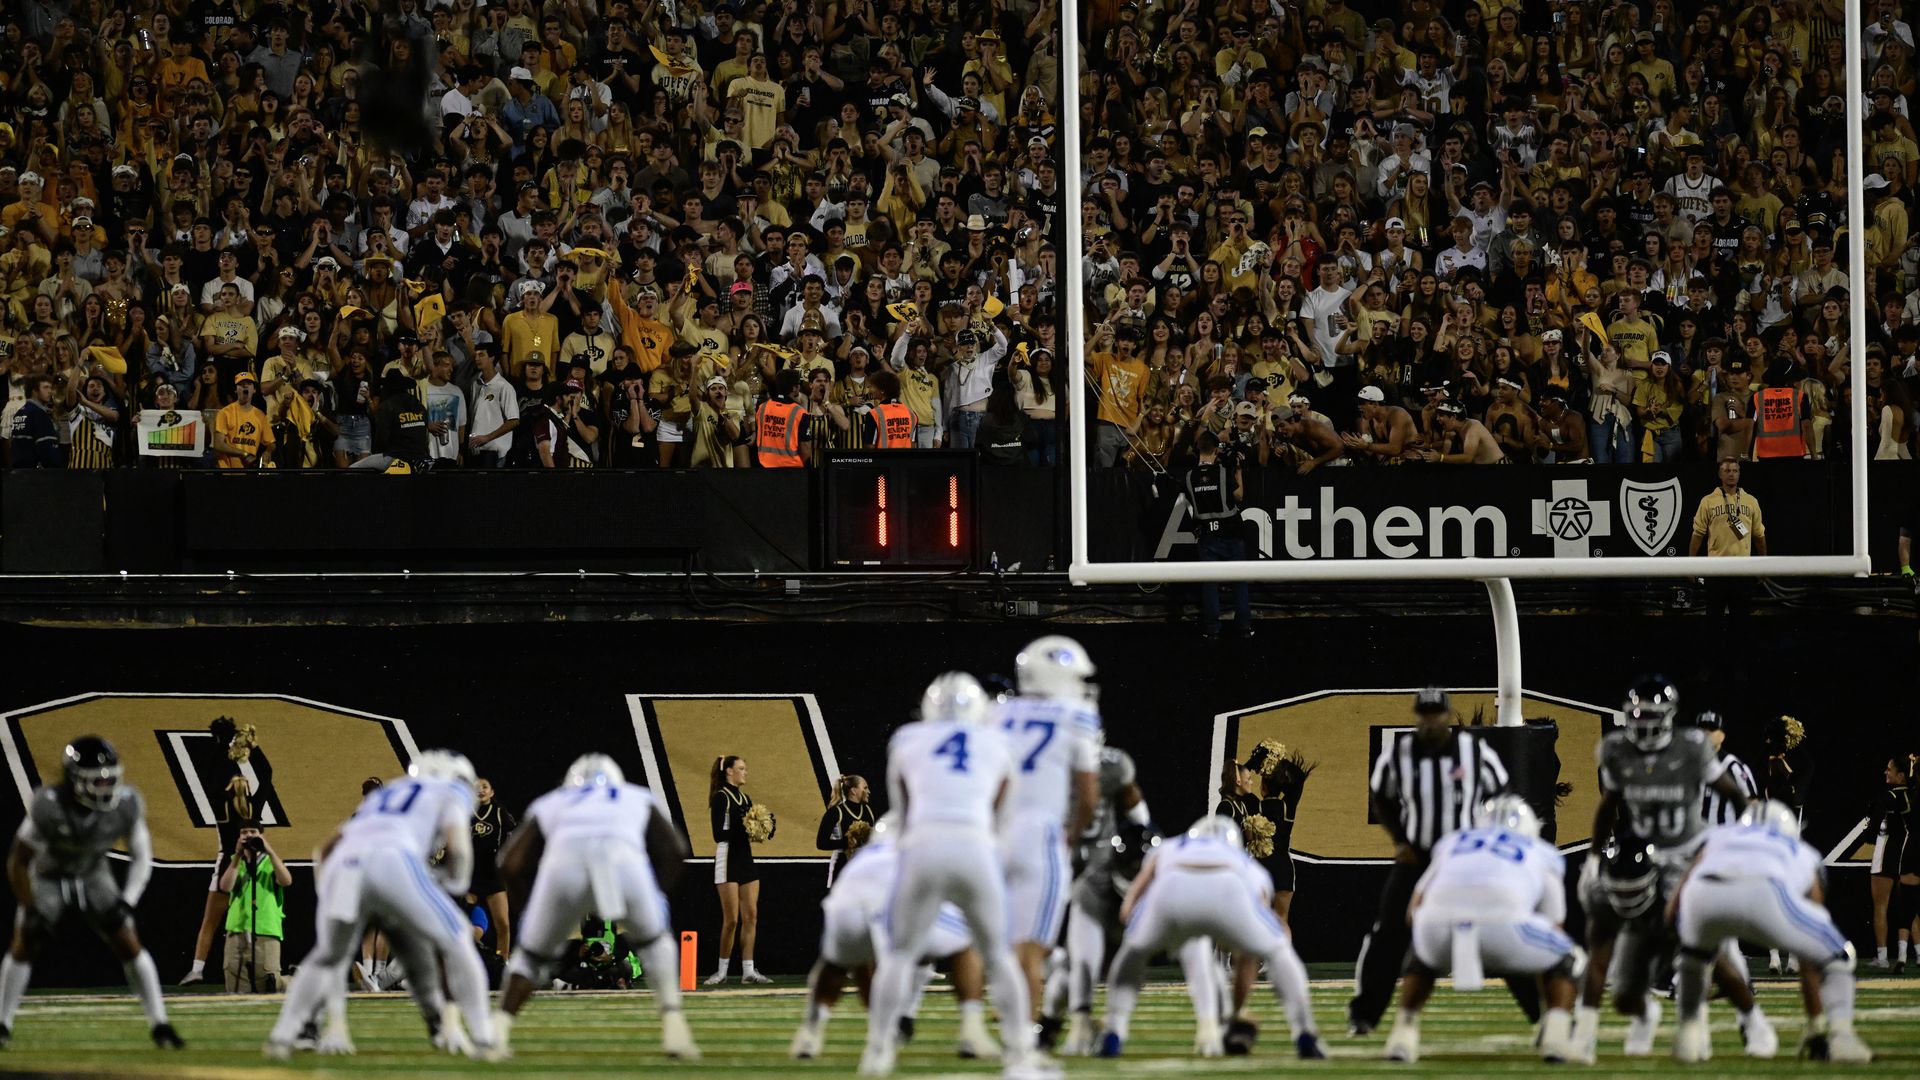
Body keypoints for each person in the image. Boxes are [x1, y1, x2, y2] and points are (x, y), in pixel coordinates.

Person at [859, 672, 1048, 1078]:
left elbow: (902, 810)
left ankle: (878, 1052)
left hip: (922, 843)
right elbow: (1003, 814)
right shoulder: (999, 742)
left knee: (900, 956)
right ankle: (1020, 1054)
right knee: (998, 954)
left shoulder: (907, 739)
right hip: (975, 845)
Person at [1574, 675, 1764, 1063]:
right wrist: (1595, 859)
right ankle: (1644, 1010)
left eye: (1651, 714)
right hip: (1643, 859)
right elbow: (1609, 805)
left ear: (1670, 716)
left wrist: (1743, 844)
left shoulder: (1691, 747)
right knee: (1625, 990)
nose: (1642, 722)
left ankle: (1751, 1019)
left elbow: (1734, 794)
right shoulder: (1616, 749)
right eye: (1637, 714)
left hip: (1692, 855)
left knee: (1708, 945)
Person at [263, 751, 497, 1060]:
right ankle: (483, 1036)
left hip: (345, 865)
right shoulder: (449, 790)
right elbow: (461, 852)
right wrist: (453, 889)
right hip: (393, 861)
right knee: (457, 941)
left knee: (328, 955)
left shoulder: (387, 792)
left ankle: (286, 1033)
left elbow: (325, 849)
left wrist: (330, 895)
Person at [493, 754, 698, 1059]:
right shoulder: (635, 795)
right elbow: (676, 850)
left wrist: (530, 914)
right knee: (656, 943)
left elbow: (509, 863)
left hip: (563, 869)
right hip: (624, 865)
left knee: (531, 957)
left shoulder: (553, 800)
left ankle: (495, 1033)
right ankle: (674, 1027)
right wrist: (653, 895)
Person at [1350, 688, 1525, 1035]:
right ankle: (1364, 1015)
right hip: (1419, 856)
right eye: (1424, 714)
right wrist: (1400, 841)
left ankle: (1544, 1015)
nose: (1430, 721)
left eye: (1436, 714)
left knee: (1503, 928)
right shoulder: (1400, 753)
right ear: (1417, 716)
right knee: (1388, 933)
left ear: (1447, 715)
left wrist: (1486, 839)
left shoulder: (1473, 751)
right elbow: (1380, 796)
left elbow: (1502, 794)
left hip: (1465, 859)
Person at [0, 737, 182, 1049]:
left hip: (92, 872)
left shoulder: (126, 803)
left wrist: (128, 901)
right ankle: (2, 1023)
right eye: (97, 780)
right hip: (48, 874)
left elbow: (142, 855)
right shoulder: (48, 805)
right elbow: (18, 861)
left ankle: (161, 1025)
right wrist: (29, 907)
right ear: (74, 780)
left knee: (127, 941)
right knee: (25, 940)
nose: (105, 786)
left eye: (109, 779)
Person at [1096, 815, 1325, 1061]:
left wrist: (1140, 935)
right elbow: (1248, 957)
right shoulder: (1249, 865)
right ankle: (1304, 1033)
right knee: (1280, 953)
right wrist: (1237, 1012)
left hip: (1172, 888)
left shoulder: (1170, 846)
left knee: (1132, 955)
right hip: (1231, 887)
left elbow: (1129, 905)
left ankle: (1114, 1031)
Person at [1670, 802, 1872, 1063]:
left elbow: (1680, 893)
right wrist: (1814, 1020)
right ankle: (1841, 1038)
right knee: (1839, 954)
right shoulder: (1799, 850)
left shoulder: (1720, 836)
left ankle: (1687, 1036)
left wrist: (1681, 937)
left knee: (1693, 958)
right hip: (1764, 891)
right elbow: (1812, 950)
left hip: (1702, 893)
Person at [1381, 797, 1577, 1064]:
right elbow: (1555, 924)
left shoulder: (1453, 843)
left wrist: (1430, 951)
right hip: (1505, 928)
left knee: (1422, 949)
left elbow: (1413, 911)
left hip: (1439, 928)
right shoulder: (1541, 852)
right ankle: (1555, 1037)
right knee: (1568, 958)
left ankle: (1402, 1036)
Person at [790, 815, 996, 1060]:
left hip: (848, 906)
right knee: (963, 943)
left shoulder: (863, 859)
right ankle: (971, 1030)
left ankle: (810, 1032)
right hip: (900, 905)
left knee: (835, 965)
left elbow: (861, 961)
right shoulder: (927, 851)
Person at [993, 636, 1101, 1025]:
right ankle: (1025, 1035)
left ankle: (1001, 1017)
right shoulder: (1078, 715)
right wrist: (1072, 831)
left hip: (996, 835)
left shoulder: (996, 713)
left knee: (1003, 941)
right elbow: (1088, 794)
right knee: (1033, 946)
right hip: (1041, 835)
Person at [1040, 741, 1153, 1056]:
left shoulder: (1158, 878)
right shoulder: (1095, 881)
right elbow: (1086, 961)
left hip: (1099, 858)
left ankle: (1106, 1027)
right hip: (1065, 860)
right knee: (1077, 964)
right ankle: (1056, 1020)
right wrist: (1080, 1019)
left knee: (1126, 963)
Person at [184, 717, 273, 986]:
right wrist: (237, 745)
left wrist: (238, 744)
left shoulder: (232, 806)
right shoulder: (237, 807)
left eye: (242, 780)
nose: (241, 781)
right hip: (237, 863)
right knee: (219, 918)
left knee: (246, 919)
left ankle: (256, 969)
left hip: (241, 863)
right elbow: (263, 776)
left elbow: (264, 777)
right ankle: (199, 969)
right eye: (238, 780)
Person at [705, 755, 769, 984]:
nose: (745, 772)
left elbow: (752, 832)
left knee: (751, 916)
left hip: (745, 859)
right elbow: (718, 834)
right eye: (741, 768)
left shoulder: (745, 798)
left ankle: (748, 971)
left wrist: (765, 827)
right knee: (731, 920)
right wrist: (742, 827)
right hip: (728, 858)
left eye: (745, 768)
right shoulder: (721, 797)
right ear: (729, 772)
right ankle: (721, 972)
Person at [1185, 430, 1253, 639]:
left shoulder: (1188, 477)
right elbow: (1239, 496)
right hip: (1231, 533)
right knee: (1239, 582)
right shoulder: (1224, 473)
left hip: (1207, 536)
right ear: (1216, 450)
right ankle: (1244, 628)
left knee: (1209, 584)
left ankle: (1212, 629)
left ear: (1198, 450)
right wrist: (1239, 471)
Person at [1689, 458, 1767, 629]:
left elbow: (1759, 535)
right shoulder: (1708, 501)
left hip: (1742, 570)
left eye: (1735, 471)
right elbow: (1698, 534)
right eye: (1727, 471)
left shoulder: (1751, 501)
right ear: (1720, 474)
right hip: (1716, 570)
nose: (1731, 474)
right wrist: (1690, 564)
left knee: (1741, 621)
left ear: (1739, 474)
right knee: (1713, 620)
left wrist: (1763, 565)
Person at [219, 826, 293, 993]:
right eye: (244, 832)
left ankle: (293, 981)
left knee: (269, 985)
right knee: (236, 988)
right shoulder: (234, 861)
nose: (248, 835)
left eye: (253, 832)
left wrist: (269, 851)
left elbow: (286, 881)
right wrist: (237, 856)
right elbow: (225, 886)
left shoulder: (271, 862)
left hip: (265, 930)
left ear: (261, 836)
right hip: (236, 930)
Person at [1869, 755, 1913, 971]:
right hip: (1908, 854)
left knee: (1881, 906)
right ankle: (1915, 954)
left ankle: (1883, 957)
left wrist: (1871, 834)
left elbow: (1872, 829)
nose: (1886, 772)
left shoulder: (1887, 797)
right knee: (1910, 906)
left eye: (1889, 770)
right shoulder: (1913, 795)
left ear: (1901, 775)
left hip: (1887, 851)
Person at [468, 778, 518, 964]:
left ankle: (502, 962)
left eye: (485, 787)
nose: (480, 790)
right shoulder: (466, 813)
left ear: (492, 792)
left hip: (492, 876)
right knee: (465, 922)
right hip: (471, 877)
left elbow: (514, 836)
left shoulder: (500, 813)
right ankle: (464, 960)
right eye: (477, 788)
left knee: (503, 924)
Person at [815, 774, 877, 886]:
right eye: (865, 788)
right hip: (841, 866)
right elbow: (821, 843)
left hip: (863, 865)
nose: (869, 792)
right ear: (853, 791)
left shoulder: (869, 811)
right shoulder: (835, 813)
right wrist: (847, 842)